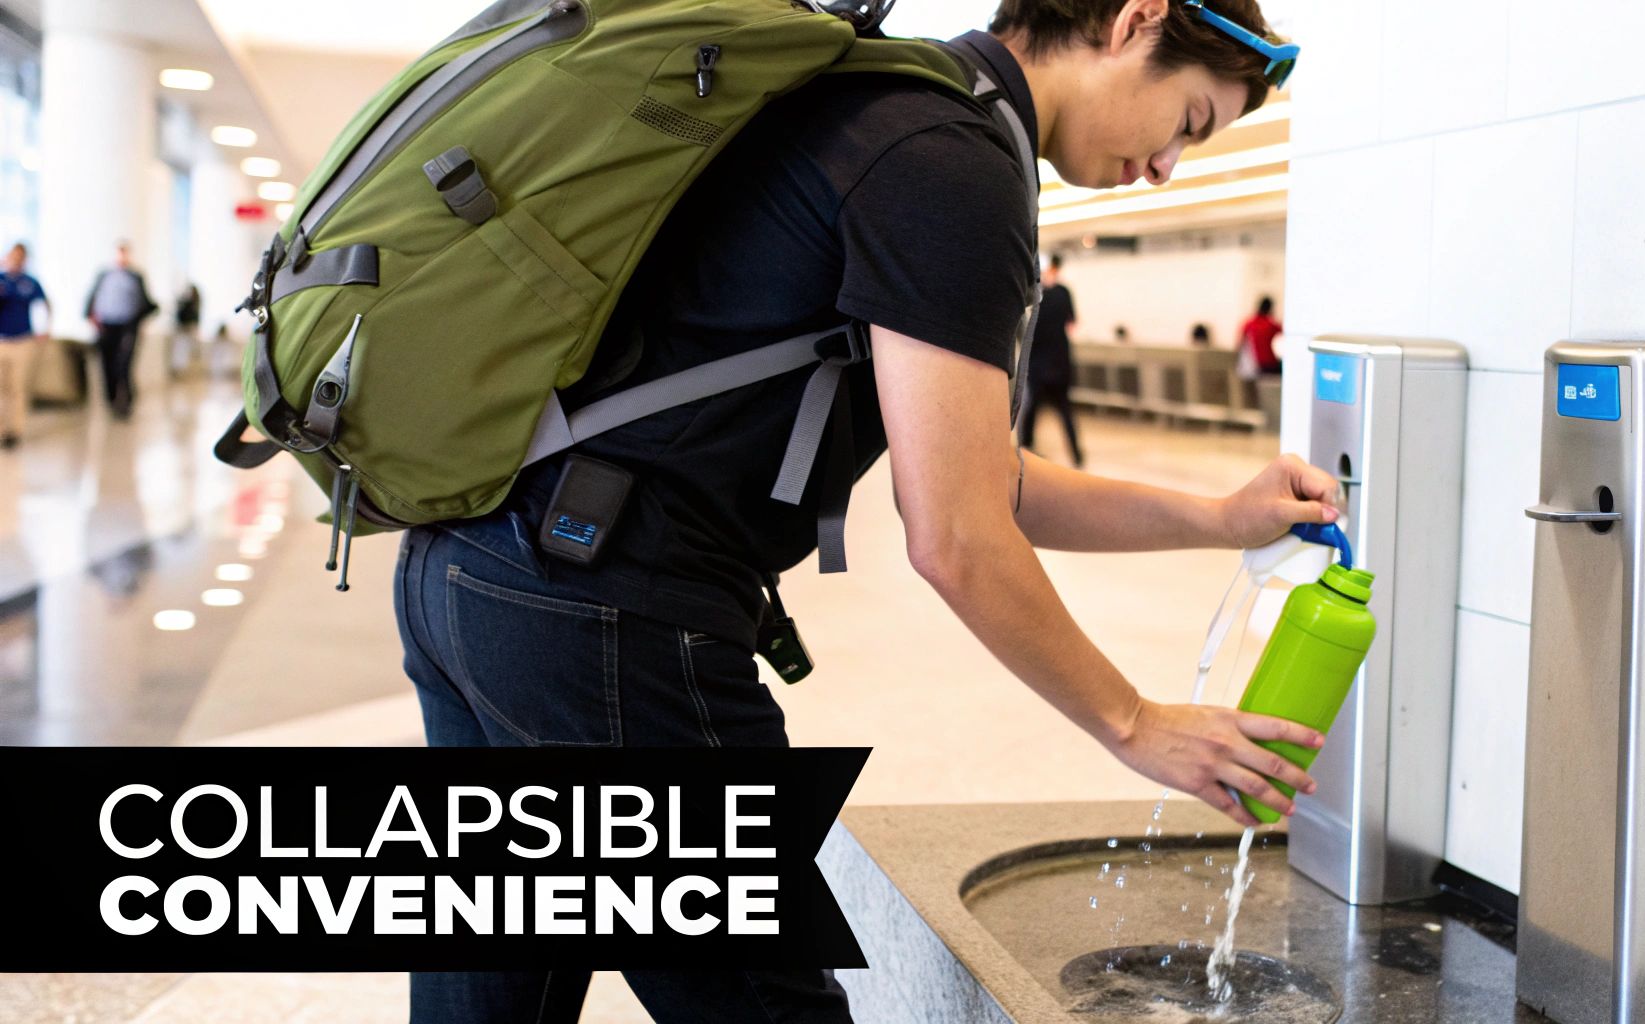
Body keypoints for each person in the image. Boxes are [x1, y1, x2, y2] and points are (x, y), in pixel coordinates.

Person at [393, 1, 1328, 1021]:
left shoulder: (891, 107)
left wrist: (1219, 517)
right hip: (603, 610)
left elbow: (988, 480)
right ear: (1134, 20)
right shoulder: (952, 163)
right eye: (1188, 120)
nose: (1166, 168)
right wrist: (1136, 723)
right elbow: (956, 537)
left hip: (476, 565)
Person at [1017, 252, 1085, 467]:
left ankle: (1024, 451)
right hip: (1060, 362)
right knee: (1064, 410)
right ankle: (1077, 455)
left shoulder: (1036, 296)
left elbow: (1027, 331)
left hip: (1039, 363)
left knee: (1032, 410)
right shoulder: (1063, 292)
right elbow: (1072, 322)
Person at [83, 241, 157, 419]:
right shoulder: (104, 275)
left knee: (124, 366)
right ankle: (110, 401)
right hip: (107, 326)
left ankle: (126, 402)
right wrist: (92, 318)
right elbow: (91, 300)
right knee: (107, 365)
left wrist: (138, 322)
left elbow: (147, 304)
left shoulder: (135, 277)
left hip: (127, 327)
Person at [0, 242, 52, 448]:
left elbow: (45, 304)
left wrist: (45, 329)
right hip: (2, 340)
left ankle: (14, 430)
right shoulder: (1, 279)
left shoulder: (30, 282)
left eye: (20, 256)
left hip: (22, 340)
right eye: (13, 256)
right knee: (2, 387)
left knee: (17, 387)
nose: (16, 260)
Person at [1238, 294, 1282, 376]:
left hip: (1255, 364)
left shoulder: (1249, 323)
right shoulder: (1271, 325)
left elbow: (1239, 343)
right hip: (1270, 364)